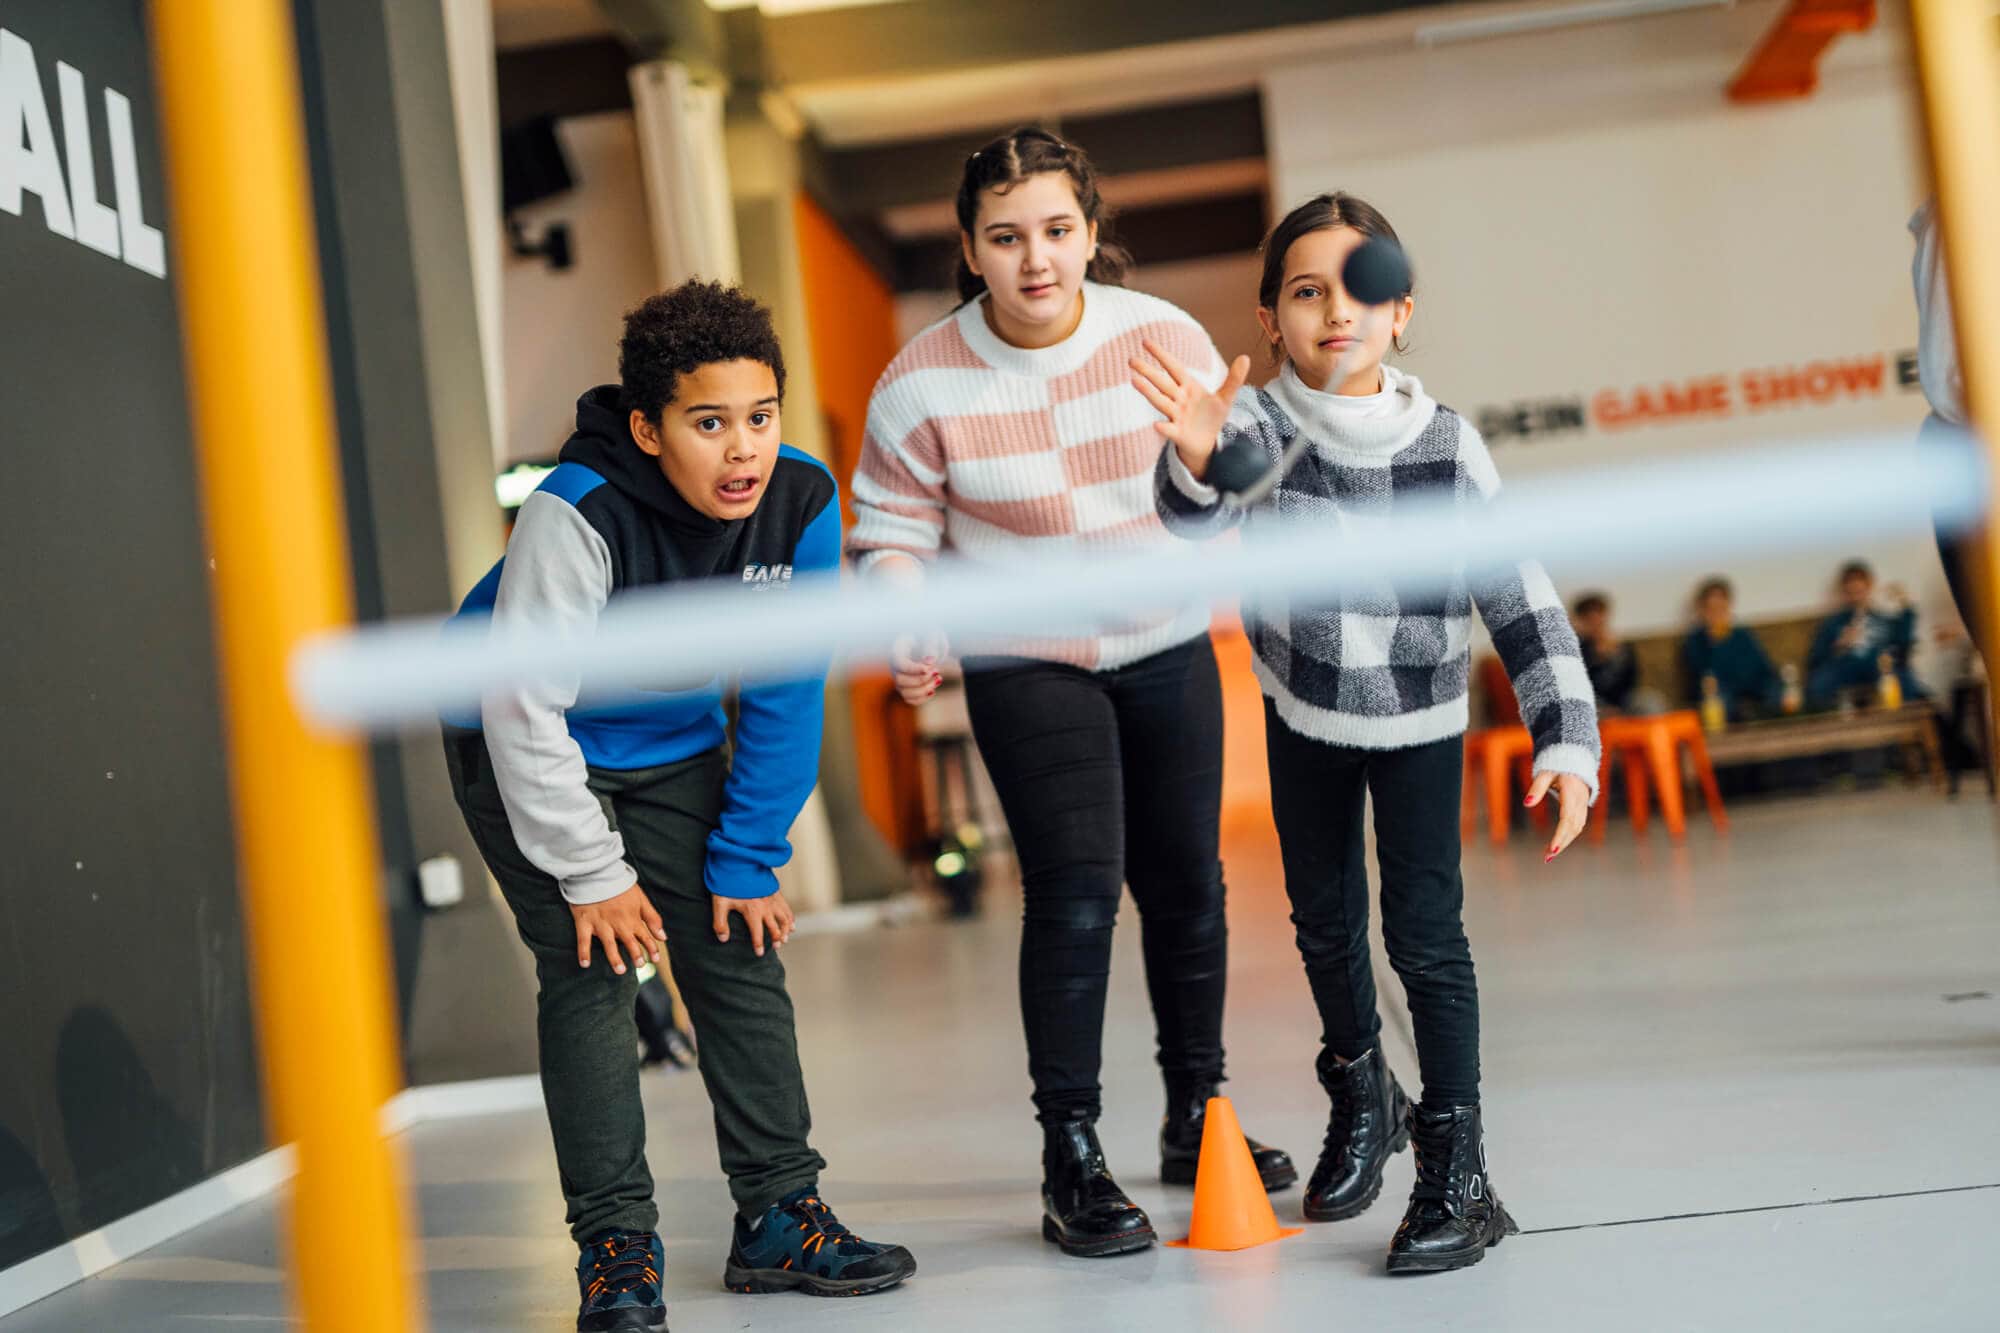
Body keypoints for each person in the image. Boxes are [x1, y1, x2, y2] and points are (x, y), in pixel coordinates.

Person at [847, 128, 1294, 1260]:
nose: (1034, 259)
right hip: (1022, 654)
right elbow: (890, 532)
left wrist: (1217, 459)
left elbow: (1238, 485)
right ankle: (1071, 1153)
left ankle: (1199, 1115)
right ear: (969, 250)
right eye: (1005, 237)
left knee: (1187, 886)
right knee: (1077, 895)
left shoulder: (1161, 336)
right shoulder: (920, 380)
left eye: (1055, 230)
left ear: (1091, 234)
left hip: (1164, 635)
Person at [1138, 192, 1599, 1274]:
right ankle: (1363, 1087)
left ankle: (1459, 1171)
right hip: (1303, 702)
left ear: (1400, 312)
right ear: (1270, 320)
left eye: (1359, 289)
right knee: (1322, 920)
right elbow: (1200, 511)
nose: (1335, 311)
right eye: (1306, 292)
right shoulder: (1258, 432)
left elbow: (1515, 590)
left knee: (1425, 936)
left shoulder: (1445, 444)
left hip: (1420, 709)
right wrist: (1194, 459)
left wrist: (1565, 735)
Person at [442, 280, 914, 1331]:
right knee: (591, 965)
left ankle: (780, 1213)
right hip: (521, 737)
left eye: (761, 416)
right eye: (709, 424)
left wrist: (748, 853)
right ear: (650, 428)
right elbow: (523, 706)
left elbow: (786, 689)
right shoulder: (577, 510)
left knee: (737, 945)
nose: (743, 450)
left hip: (669, 740)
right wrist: (592, 873)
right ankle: (614, 1244)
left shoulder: (800, 501)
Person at [1805, 560, 1922, 709]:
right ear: (1843, 592)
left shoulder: (1883, 619)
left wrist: (1906, 607)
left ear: (1869, 588)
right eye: (1850, 593)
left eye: (1859, 592)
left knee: (1900, 677)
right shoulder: (1832, 623)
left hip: (1878, 667)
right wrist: (1839, 645)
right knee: (1818, 683)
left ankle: (1907, 718)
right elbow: (1815, 660)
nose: (1856, 598)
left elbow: (1902, 645)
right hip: (1844, 668)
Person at [1681, 577, 1781, 721]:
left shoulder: (1742, 634)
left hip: (1751, 685)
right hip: (1720, 691)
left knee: (1777, 691)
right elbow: (1705, 675)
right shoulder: (1696, 640)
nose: (1718, 614)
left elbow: (1764, 667)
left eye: (1721, 608)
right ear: (1702, 610)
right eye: (1712, 609)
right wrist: (1716, 641)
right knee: (1719, 700)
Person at [1573, 592, 1641, 714]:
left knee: (1648, 702)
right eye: (1589, 619)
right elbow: (1579, 685)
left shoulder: (1622, 647)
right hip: (1593, 702)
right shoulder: (1575, 649)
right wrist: (1596, 657)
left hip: (1623, 700)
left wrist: (1615, 654)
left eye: (1599, 616)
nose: (1596, 623)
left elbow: (1632, 681)